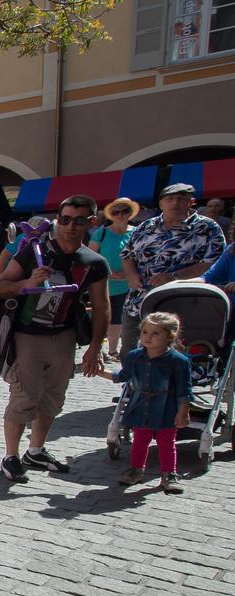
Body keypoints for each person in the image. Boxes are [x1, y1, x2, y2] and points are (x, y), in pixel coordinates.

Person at [0, 195, 110, 483]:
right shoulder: (33, 253)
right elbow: (0, 288)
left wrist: (96, 347)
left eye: (79, 220)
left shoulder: (93, 262)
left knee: (53, 397)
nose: (70, 226)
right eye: (65, 219)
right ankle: (11, 455)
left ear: (91, 223)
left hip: (65, 335)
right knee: (24, 397)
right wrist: (27, 283)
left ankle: (36, 450)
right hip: (28, 335)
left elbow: (102, 306)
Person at [120, 183, 226, 354]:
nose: (175, 203)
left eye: (181, 199)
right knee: (130, 353)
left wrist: (174, 276)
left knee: (173, 357)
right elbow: (127, 255)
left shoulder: (207, 228)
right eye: (169, 199)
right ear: (161, 203)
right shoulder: (146, 226)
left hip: (180, 303)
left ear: (191, 202)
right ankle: (133, 381)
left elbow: (213, 263)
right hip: (138, 301)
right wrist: (131, 276)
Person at [104, 312, 192, 493]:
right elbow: (122, 376)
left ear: (170, 336)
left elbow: (184, 390)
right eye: (145, 332)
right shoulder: (134, 356)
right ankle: (136, 470)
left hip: (166, 406)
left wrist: (183, 411)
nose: (148, 337)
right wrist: (98, 372)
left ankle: (169, 474)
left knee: (167, 441)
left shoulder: (179, 361)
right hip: (140, 404)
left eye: (155, 333)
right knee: (140, 439)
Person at [88, 198, 139, 361]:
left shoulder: (137, 233)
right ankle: (96, 348)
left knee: (117, 317)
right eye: (116, 212)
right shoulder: (101, 233)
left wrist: (128, 274)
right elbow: (89, 256)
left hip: (127, 284)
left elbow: (142, 258)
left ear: (130, 213)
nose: (120, 215)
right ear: (111, 214)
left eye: (124, 211)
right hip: (102, 282)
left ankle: (112, 350)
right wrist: (105, 273)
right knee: (100, 315)